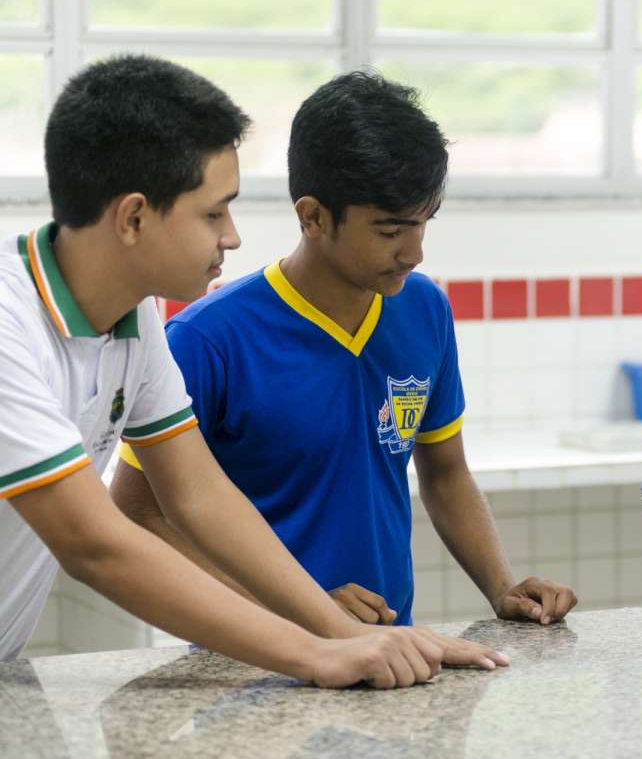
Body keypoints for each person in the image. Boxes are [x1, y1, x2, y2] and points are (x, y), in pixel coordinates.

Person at [0, 54, 507, 687]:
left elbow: (200, 495)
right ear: (133, 217)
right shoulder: (10, 328)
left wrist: (344, 633)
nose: (233, 237)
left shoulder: (137, 321)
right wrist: (319, 651)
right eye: (213, 214)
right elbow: (96, 541)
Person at [109, 71, 578, 630]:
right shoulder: (208, 341)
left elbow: (446, 475)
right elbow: (136, 511)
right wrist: (296, 611)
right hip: (256, 656)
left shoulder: (423, 309)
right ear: (312, 217)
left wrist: (502, 587)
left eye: (425, 222)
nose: (415, 252)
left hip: (390, 650)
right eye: (390, 230)